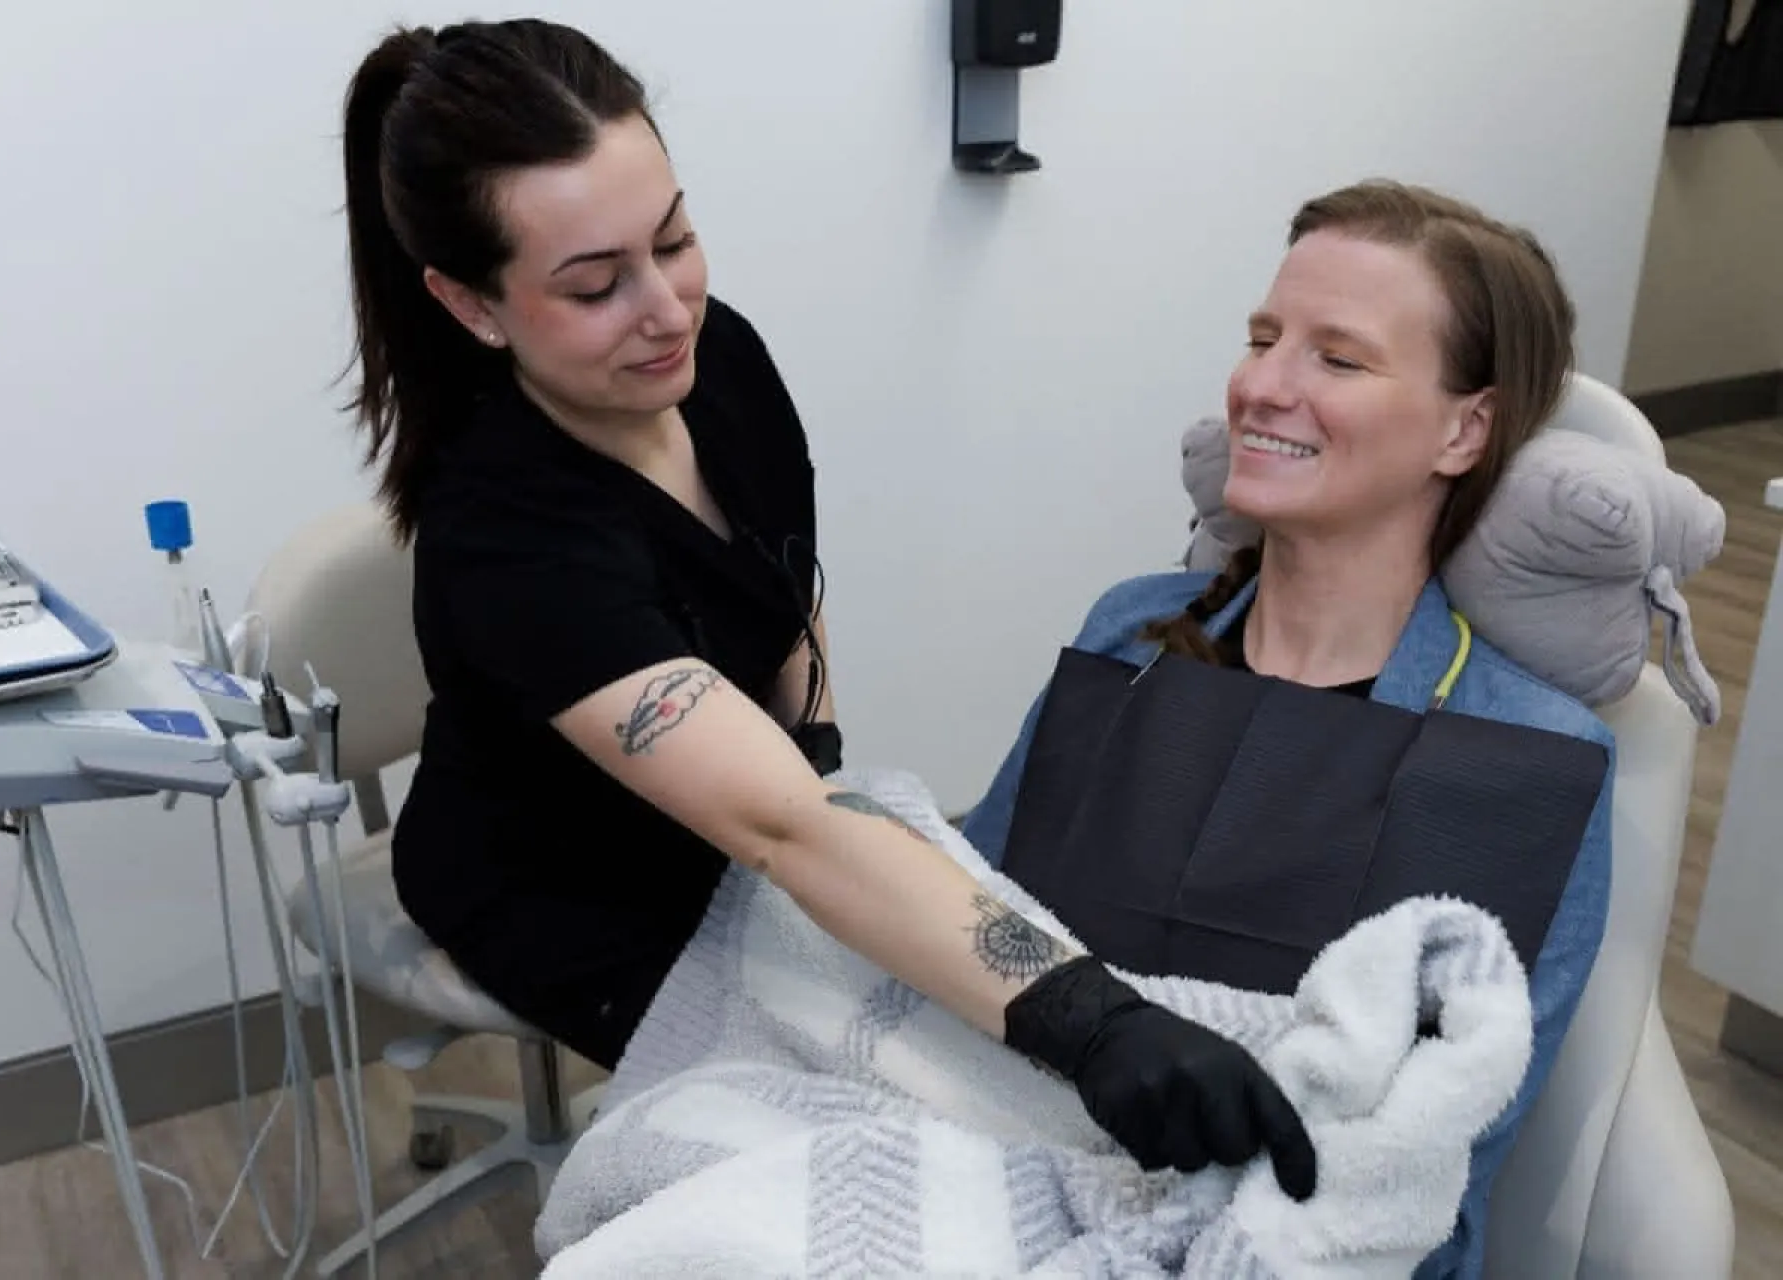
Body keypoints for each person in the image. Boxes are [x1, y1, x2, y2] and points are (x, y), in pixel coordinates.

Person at [338, 17, 1318, 1199]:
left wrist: (829, 765)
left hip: (753, 815)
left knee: (978, 1023)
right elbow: (783, 833)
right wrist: (1091, 1022)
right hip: (562, 886)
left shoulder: (717, 359)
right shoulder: (507, 534)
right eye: (596, 285)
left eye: (675, 238)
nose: (666, 308)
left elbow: (785, 596)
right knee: (913, 1129)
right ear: (473, 304)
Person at [961, 179, 1615, 1279]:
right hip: (993, 1176)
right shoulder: (1129, 637)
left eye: (1337, 357)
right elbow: (971, 918)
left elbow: (1430, 1159)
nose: (1262, 385)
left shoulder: (1528, 756)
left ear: (1465, 428)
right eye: (1265, 338)